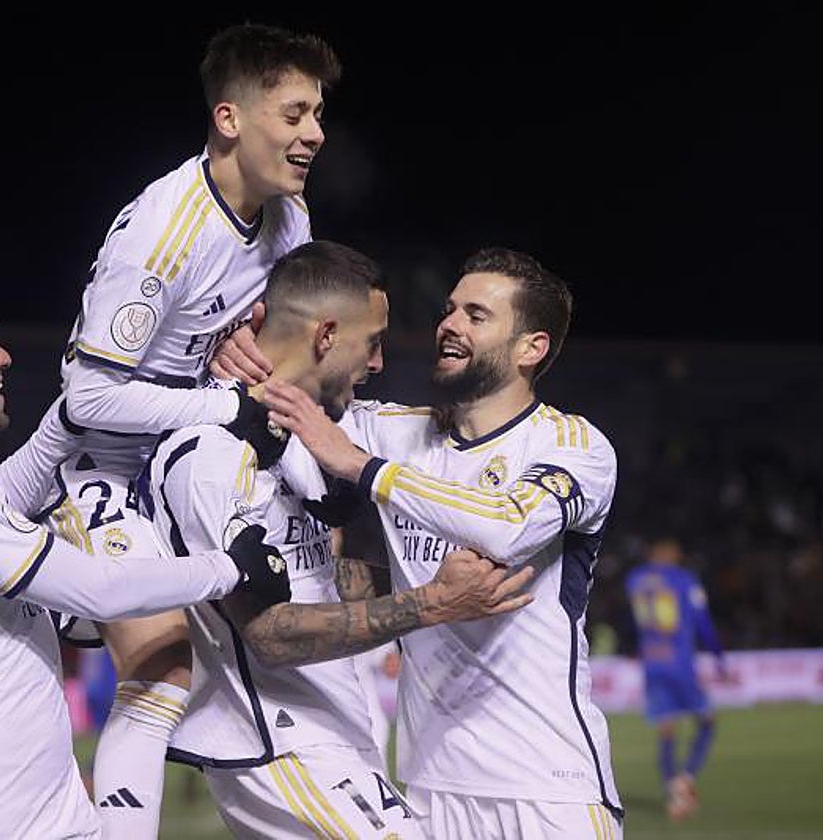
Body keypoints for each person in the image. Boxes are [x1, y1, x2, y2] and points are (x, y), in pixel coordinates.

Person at [32, 21, 342, 836]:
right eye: (295, 113)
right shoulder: (163, 233)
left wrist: (243, 353)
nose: (315, 133)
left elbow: (260, 337)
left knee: (254, 650)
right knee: (161, 669)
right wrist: (224, 403)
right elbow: (86, 398)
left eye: (318, 114)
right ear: (229, 118)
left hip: (197, 458)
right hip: (106, 465)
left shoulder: (289, 219)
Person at [0, 271, 290, 839]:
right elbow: (97, 589)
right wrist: (231, 567)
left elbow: (1, 496)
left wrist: (71, 419)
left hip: (33, 808)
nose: (4, 357)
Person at [141, 241, 534, 837]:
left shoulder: (295, 437)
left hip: (329, 731)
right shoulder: (212, 452)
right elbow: (268, 633)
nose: (377, 362)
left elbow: (315, 576)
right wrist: (433, 604)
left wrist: (428, 575)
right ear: (326, 335)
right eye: (371, 341)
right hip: (277, 742)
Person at [264, 246, 625, 839]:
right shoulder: (390, 432)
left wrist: (363, 468)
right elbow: (291, 388)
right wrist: (245, 349)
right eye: (450, 310)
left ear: (531, 348)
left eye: (476, 315)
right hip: (430, 790)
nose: (450, 324)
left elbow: (507, 525)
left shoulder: (574, 447)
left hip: (548, 790)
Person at [625, 535, 726, 822]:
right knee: (707, 722)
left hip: (653, 662)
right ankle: (686, 777)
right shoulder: (684, 580)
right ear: (670, 553)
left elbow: (631, 621)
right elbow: (702, 622)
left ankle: (675, 793)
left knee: (666, 729)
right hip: (680, 663)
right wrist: (718, 657)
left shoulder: (635, 579)